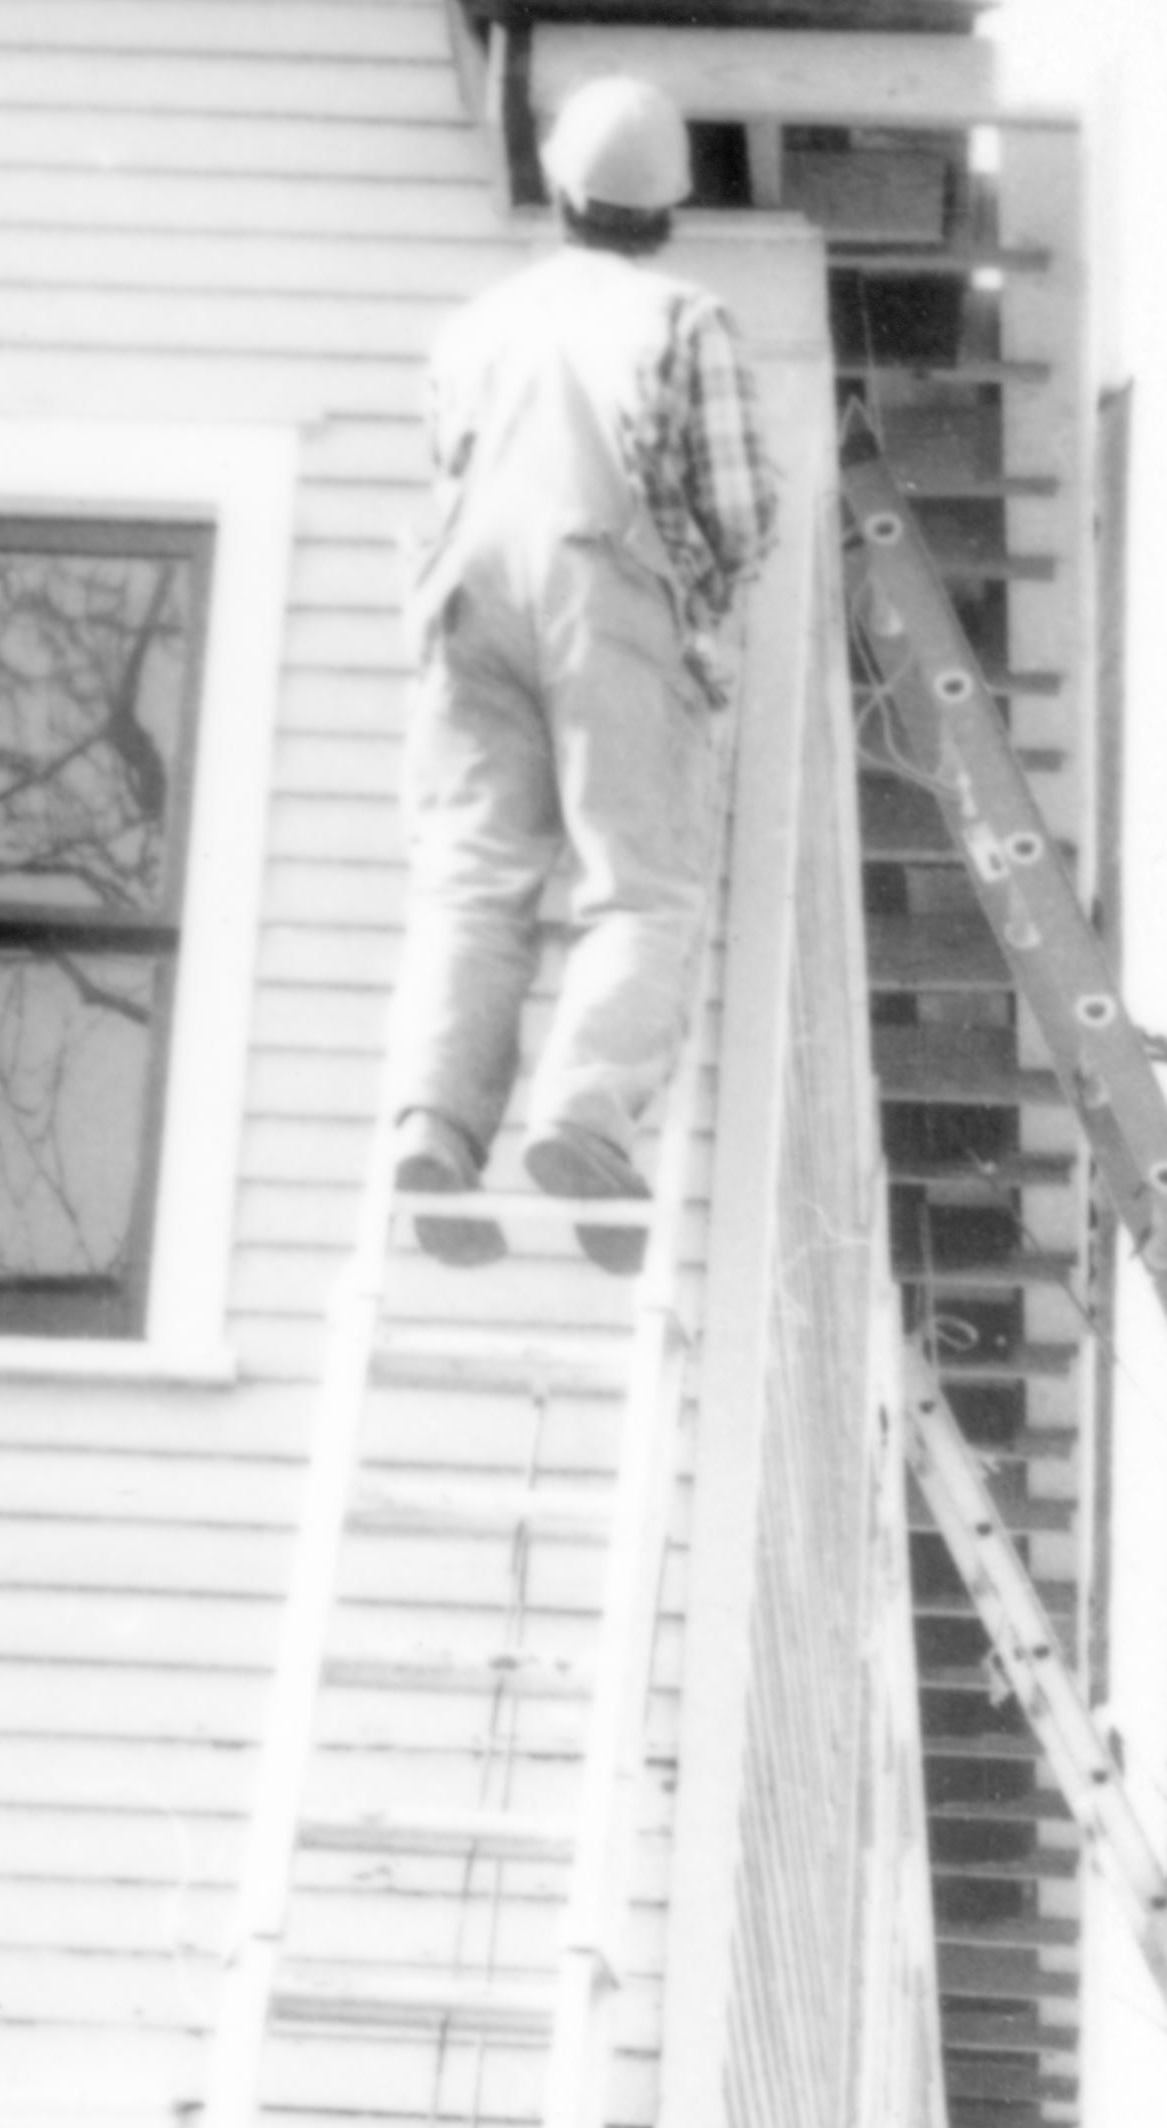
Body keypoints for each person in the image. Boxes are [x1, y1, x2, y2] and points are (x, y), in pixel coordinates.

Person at [383, 74, 779, 1269]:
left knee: (472, 884)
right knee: (640, 886)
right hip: (604, 596)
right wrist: (697, 612)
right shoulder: (683, 320)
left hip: (463, 609)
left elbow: (446, 469)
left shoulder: (475, 326)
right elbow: (745, 514)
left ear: (558, 186)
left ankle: (434, 1129)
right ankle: (583, 1119)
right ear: (668, 207)